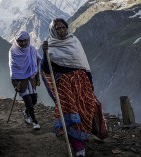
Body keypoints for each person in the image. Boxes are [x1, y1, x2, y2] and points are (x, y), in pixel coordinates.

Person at [41, 18, 96, 157]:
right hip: (65, 86)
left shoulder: (74, 41)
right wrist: (44, 52)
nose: (61, 30)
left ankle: (82, 137)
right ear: (53, 31)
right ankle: (78, 147)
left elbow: (84, 64)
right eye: (57, 28)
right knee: (70, 113)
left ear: (67, 27)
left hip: (82, 83)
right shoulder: (51, 45)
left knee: (85, 110)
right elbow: (46, 69)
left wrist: (90, 83)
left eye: (63, 27)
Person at [8, 31, 41, 130]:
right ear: (16, 41)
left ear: (28, 40)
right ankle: (35, 121)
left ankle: (26, 112)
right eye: (20, 41)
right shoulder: (13, 51)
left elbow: (37, 62)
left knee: (34, 100)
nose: (23, 43)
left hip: (31, 79)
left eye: (25, 41)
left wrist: (37, 77)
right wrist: (14, 82)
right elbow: (13, 67)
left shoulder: (32, 50)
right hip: (20, 81)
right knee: (28, 101)